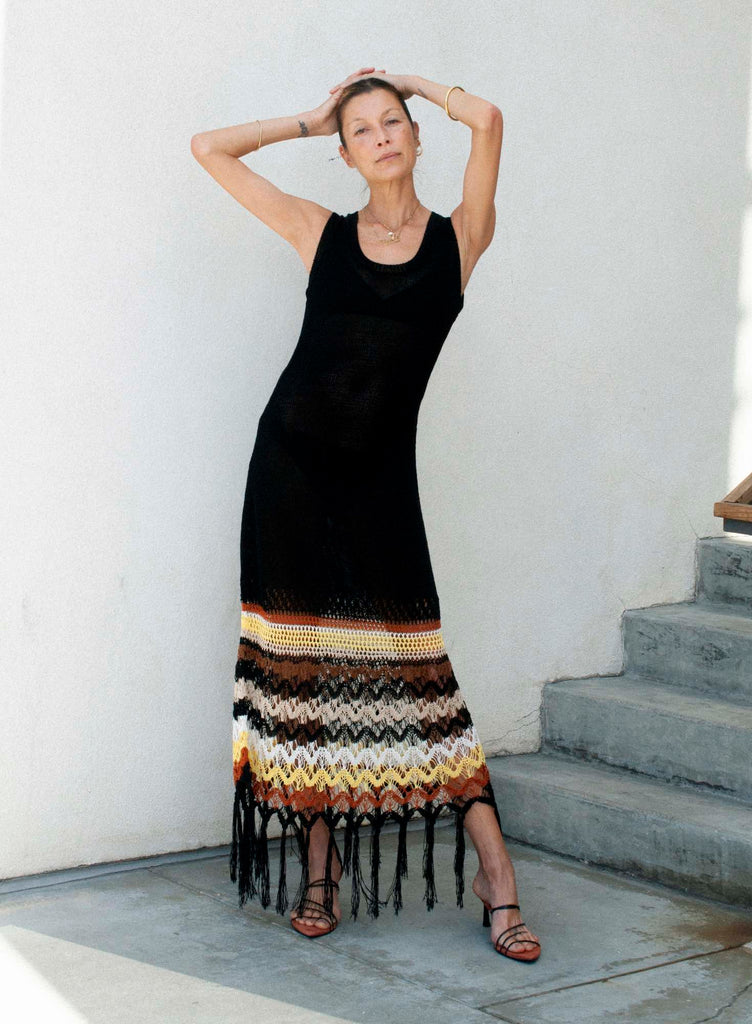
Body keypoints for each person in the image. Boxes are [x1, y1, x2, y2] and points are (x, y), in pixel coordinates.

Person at [190, 68, 540, 963]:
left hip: (380, 489)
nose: (382, 135)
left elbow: (490, 117)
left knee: (425, 679)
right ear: (346, 154)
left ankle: (494, 877)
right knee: (304, 681)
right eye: (362, 129)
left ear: (417, 139)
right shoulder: (321, 233)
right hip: (291, 477)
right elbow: (208, 149)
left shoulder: (463, 239)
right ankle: (320, 871)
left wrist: (420, 82)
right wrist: (310, 118)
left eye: (395, 123)